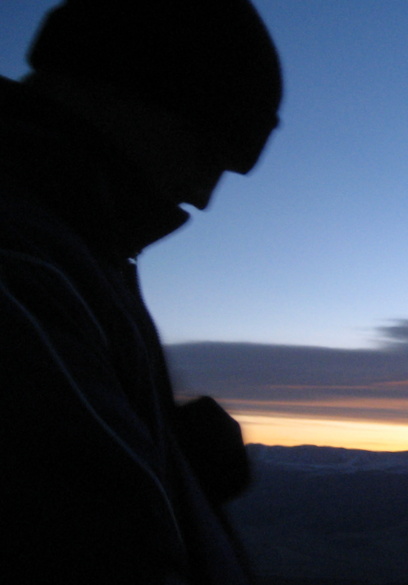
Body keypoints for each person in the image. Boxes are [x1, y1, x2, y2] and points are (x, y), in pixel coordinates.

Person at [0, 0, 282, 583]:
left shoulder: (78, 242)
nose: (204, 196)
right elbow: (87, 545)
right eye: (207, 150)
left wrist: (167, 456)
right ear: (124, 97)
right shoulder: (25, 262)